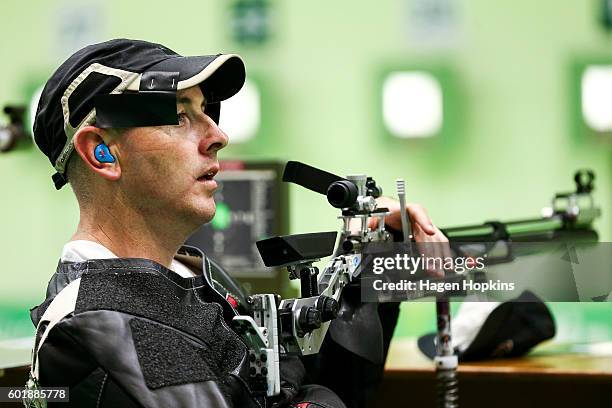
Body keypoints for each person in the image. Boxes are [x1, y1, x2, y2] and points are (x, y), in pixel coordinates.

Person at [29, 38, 449, 408]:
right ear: (101, 152)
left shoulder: (188, 276)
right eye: (177, 115)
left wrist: (375, 250)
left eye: (206, 111)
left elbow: (322, 385)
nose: (217, 136)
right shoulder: (101, 325)